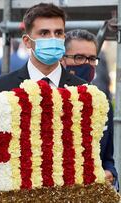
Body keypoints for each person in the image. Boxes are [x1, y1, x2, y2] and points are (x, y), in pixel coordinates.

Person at [60, 29, 118, 189]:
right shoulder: (49, 101)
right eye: (79, 58)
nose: (87, 64)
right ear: (62, 60)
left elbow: (107, 158)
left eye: (92, 58)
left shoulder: (101, 101)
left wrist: (110, 173)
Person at [0, 3, 85, 92]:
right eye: (44, 33)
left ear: (64, 37)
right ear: (27, 41)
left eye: (58, 33)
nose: (53, 38)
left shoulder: (83, 89)